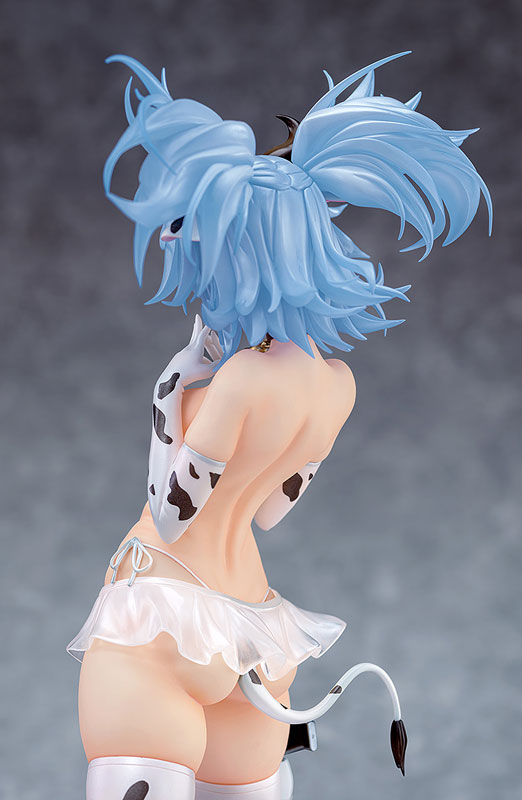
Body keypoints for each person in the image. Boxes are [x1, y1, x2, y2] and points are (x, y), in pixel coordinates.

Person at [67, 52, 491, 799]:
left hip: (162, 621)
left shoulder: (237, 379)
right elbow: (270, 509)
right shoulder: (336, 385)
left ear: (245, 249)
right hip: (257, 641)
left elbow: (172, 512)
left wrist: (172, 386)